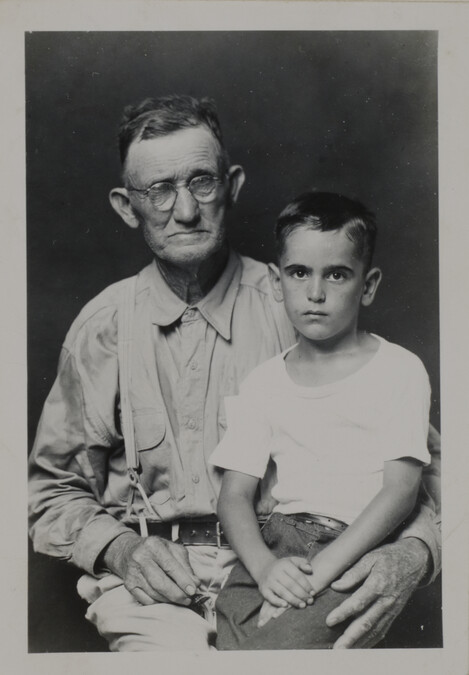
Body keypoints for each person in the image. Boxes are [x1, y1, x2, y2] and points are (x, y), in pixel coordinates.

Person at [28, 95, 441, 652]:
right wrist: (121, 551)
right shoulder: (103, 328)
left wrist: (414, 553)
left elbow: (425, 469)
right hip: (155, 588)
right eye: (159, 190)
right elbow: (51, 491)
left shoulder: (299, 302)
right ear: (127, 207)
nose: (186, 211)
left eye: (201, 182)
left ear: (233, 186)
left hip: (294, 567)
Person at [211, 191, 433, 650]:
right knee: (230, 643)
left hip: (351, 549)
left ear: (368, 285)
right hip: (272, 547)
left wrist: (316, 578)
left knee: (273, 653)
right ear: (276, 281)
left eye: (336, 274)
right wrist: (265, 568)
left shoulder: (399, 369)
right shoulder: (262, 381)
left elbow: (400, 490)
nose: (315, 293)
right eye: (298, 273)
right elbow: (234, 494)